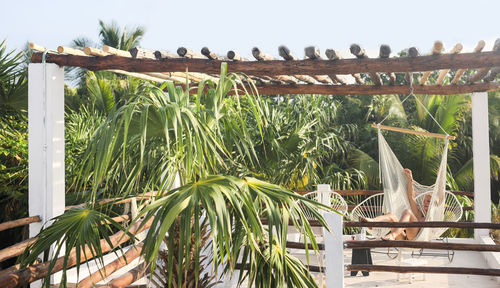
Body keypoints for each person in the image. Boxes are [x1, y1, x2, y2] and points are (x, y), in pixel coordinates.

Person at [360, 168, 433, 241]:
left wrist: (441, 178)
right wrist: (410, 180)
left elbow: (440, 199)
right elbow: (411, 196)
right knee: (391, 215)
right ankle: (372, 222)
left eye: (429, 201)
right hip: (404, 238)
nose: (425, 203)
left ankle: (392, 235)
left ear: (433, 203)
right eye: (425, 201)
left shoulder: (432, 218)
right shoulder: (418, 214)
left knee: (408, 212)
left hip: (416, 239)